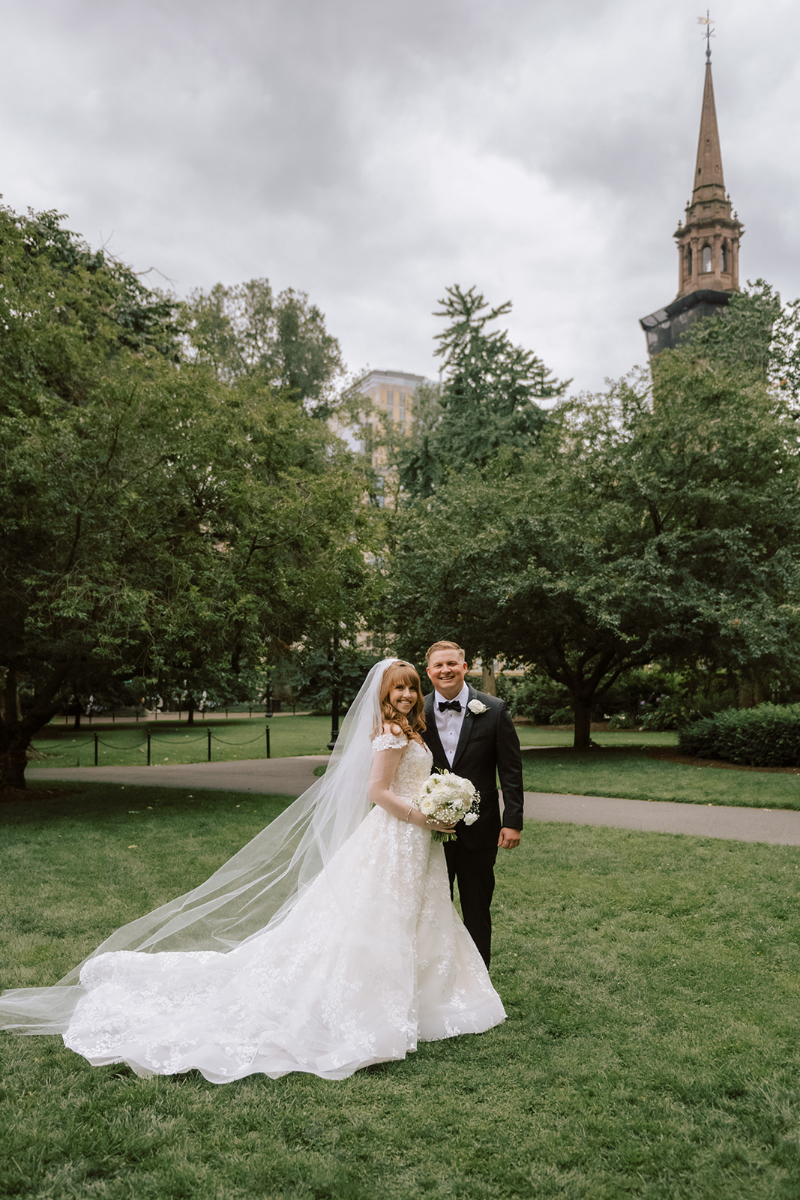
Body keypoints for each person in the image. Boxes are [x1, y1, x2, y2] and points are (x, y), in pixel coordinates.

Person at [0, 659, 505, 1083]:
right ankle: (377, 1002)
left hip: (418, 840)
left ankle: (429, 1000)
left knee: (423, 913)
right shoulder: (389, 737)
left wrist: (441, 808)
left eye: (410, 687)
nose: (405, 694)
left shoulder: (410, 730)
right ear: (382, 694)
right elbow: (377, 792)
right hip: (397, 835)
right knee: (382, 917)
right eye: (397, 687)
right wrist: (424, 814)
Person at [422, 641, 524, 967]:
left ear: (465, 667)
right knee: (433, 908)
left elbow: (510, 770)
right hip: (429, 831)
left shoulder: (493, 709)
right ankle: (438, 979)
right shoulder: (415, 712)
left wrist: (513, 821)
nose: (446, 670)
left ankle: (480, 987)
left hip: (481, 830)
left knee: (477, 908)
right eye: (438, 665)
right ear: (429, 672)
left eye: (452, 663)